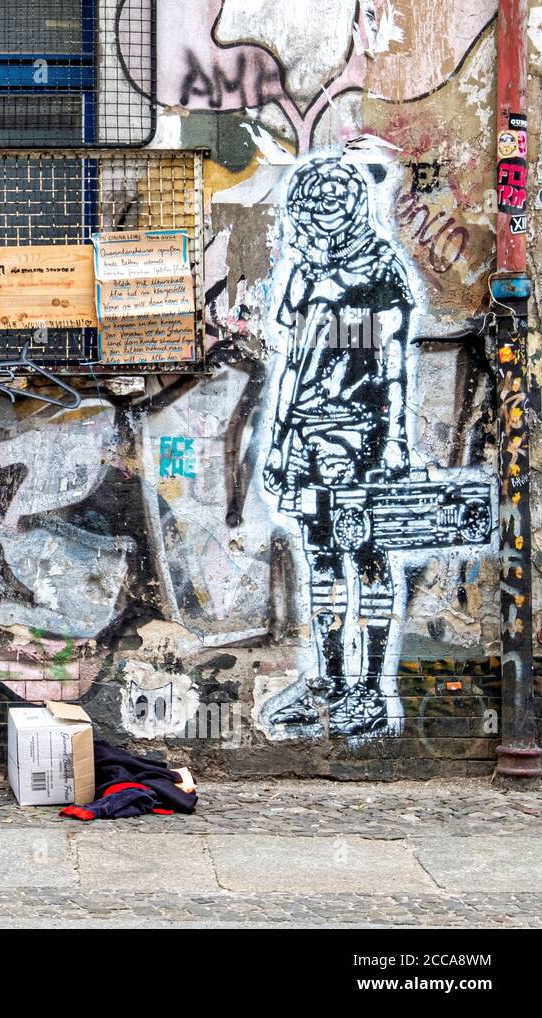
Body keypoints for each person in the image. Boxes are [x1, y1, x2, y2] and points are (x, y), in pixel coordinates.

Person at [262, 155, 415, 737]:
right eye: (316, 198)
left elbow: (393, 366)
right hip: (306, 434)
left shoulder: (382, 270)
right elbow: (293, 366)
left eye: (336, 198)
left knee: (369, 553)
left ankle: (371, 686)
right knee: (321, 556)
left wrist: (396, 441)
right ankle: (327, 681)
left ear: (354, 204)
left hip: (363, 436)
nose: (326, 209)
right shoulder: (302, 273)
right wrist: (279, 441)